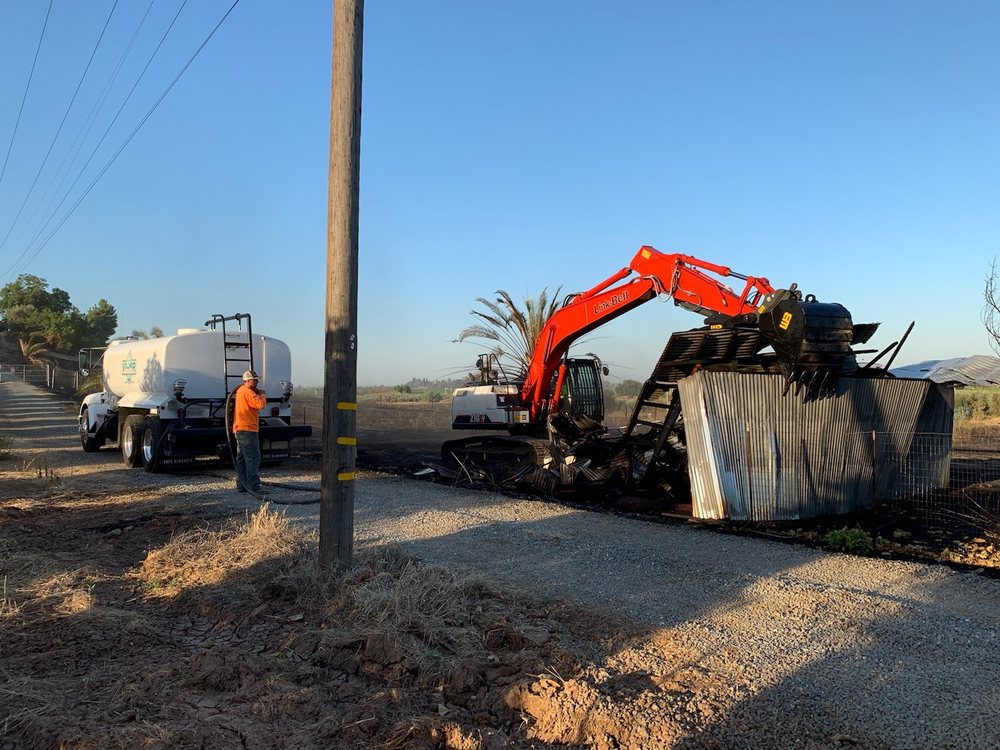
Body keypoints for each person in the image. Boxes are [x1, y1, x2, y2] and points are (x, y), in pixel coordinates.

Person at [233, 369, 268, 495]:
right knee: (253, 457)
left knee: (242, 458)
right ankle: (254, 486)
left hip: (241, 429)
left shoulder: (241, 391)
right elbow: (260, 404)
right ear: (248, 381)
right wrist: (262, 395)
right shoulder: (247, 391)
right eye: (255, 380)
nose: (257, 382)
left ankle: (242, 485)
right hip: (248, 430)